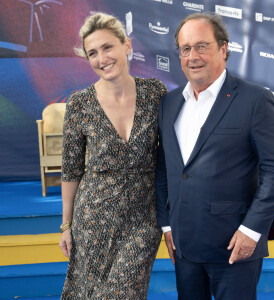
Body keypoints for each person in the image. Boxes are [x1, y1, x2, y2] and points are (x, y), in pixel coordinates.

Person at [156, 12, 274, 300]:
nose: (193, 56)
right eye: (186, 48)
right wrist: (167, 225)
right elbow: (165, 167)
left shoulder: (255, 100)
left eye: (202, 46)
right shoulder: (168, 103)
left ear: (224, 48)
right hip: (185, 247)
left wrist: (252, 231)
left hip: (235, 246)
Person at [59, 12, 167, 299]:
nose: (101, 58)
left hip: (144, 217)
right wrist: (67, 225)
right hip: (93, 216)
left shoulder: (155, 92)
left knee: (123, 292)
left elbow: (171, 156)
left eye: (107, 47)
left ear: (126, 46)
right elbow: (70, 171)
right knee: (88, 293)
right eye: (92, 53)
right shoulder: (79, 103)